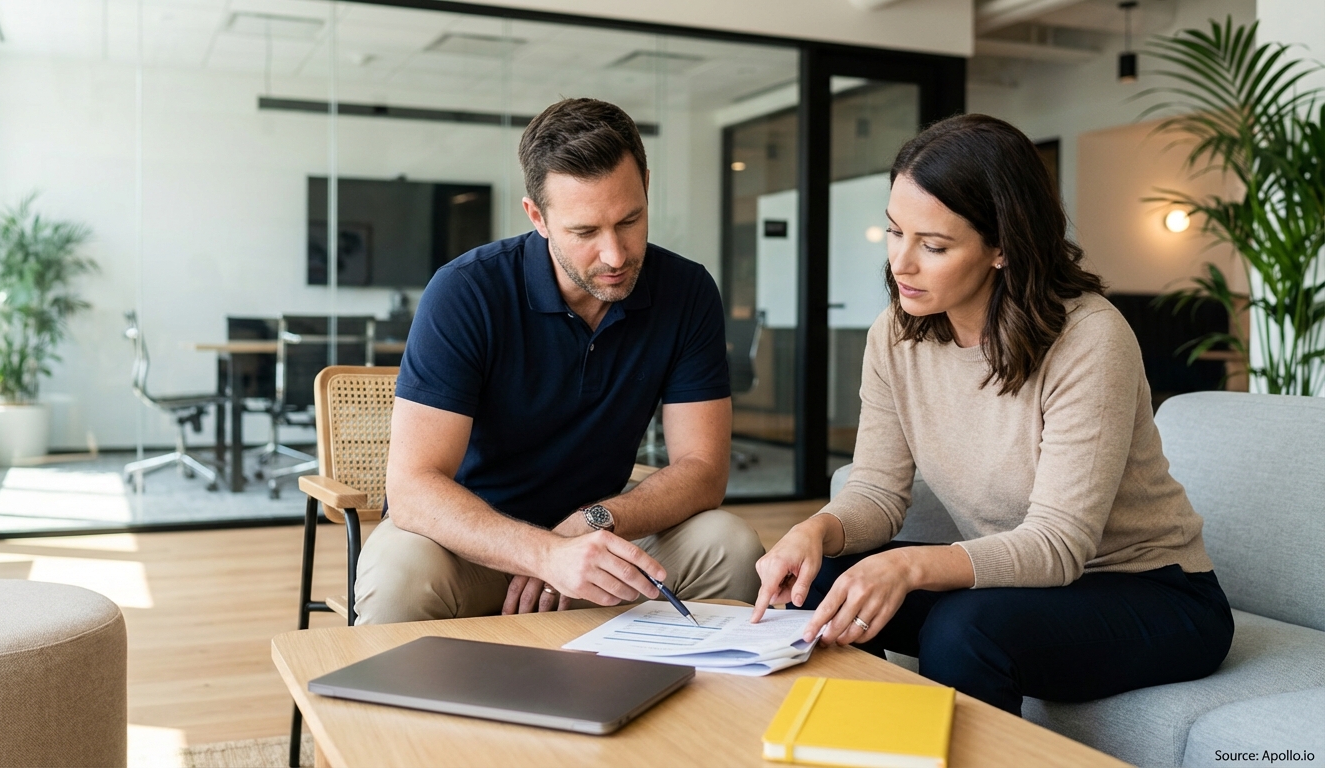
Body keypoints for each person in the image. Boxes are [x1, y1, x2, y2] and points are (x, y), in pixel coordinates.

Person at [750, 114, 1234, 715]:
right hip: (1025, 585)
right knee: (815, 587)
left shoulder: (1090, 339)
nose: (901, 264)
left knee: (965, 627)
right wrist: (813, 531)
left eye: (933, 246)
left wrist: (906, 565)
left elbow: (1058, 545)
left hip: (1155, 592)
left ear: (1003, 246)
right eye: (895, 232)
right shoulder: (895, 336)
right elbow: (876, 490)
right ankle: (855, 743)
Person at [354, 98, 764, 625]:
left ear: (646, 186)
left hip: (598, 544)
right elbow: (412, 488)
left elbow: (703, 470)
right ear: (537, 217)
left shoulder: (686, 292)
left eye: (630, 220)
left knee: (728, 543)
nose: (615, 255)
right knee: (398, 568)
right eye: (586, 232)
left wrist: (593, 524)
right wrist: (545, 554)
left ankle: (702, 707)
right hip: (470, 549)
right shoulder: (464, 291)